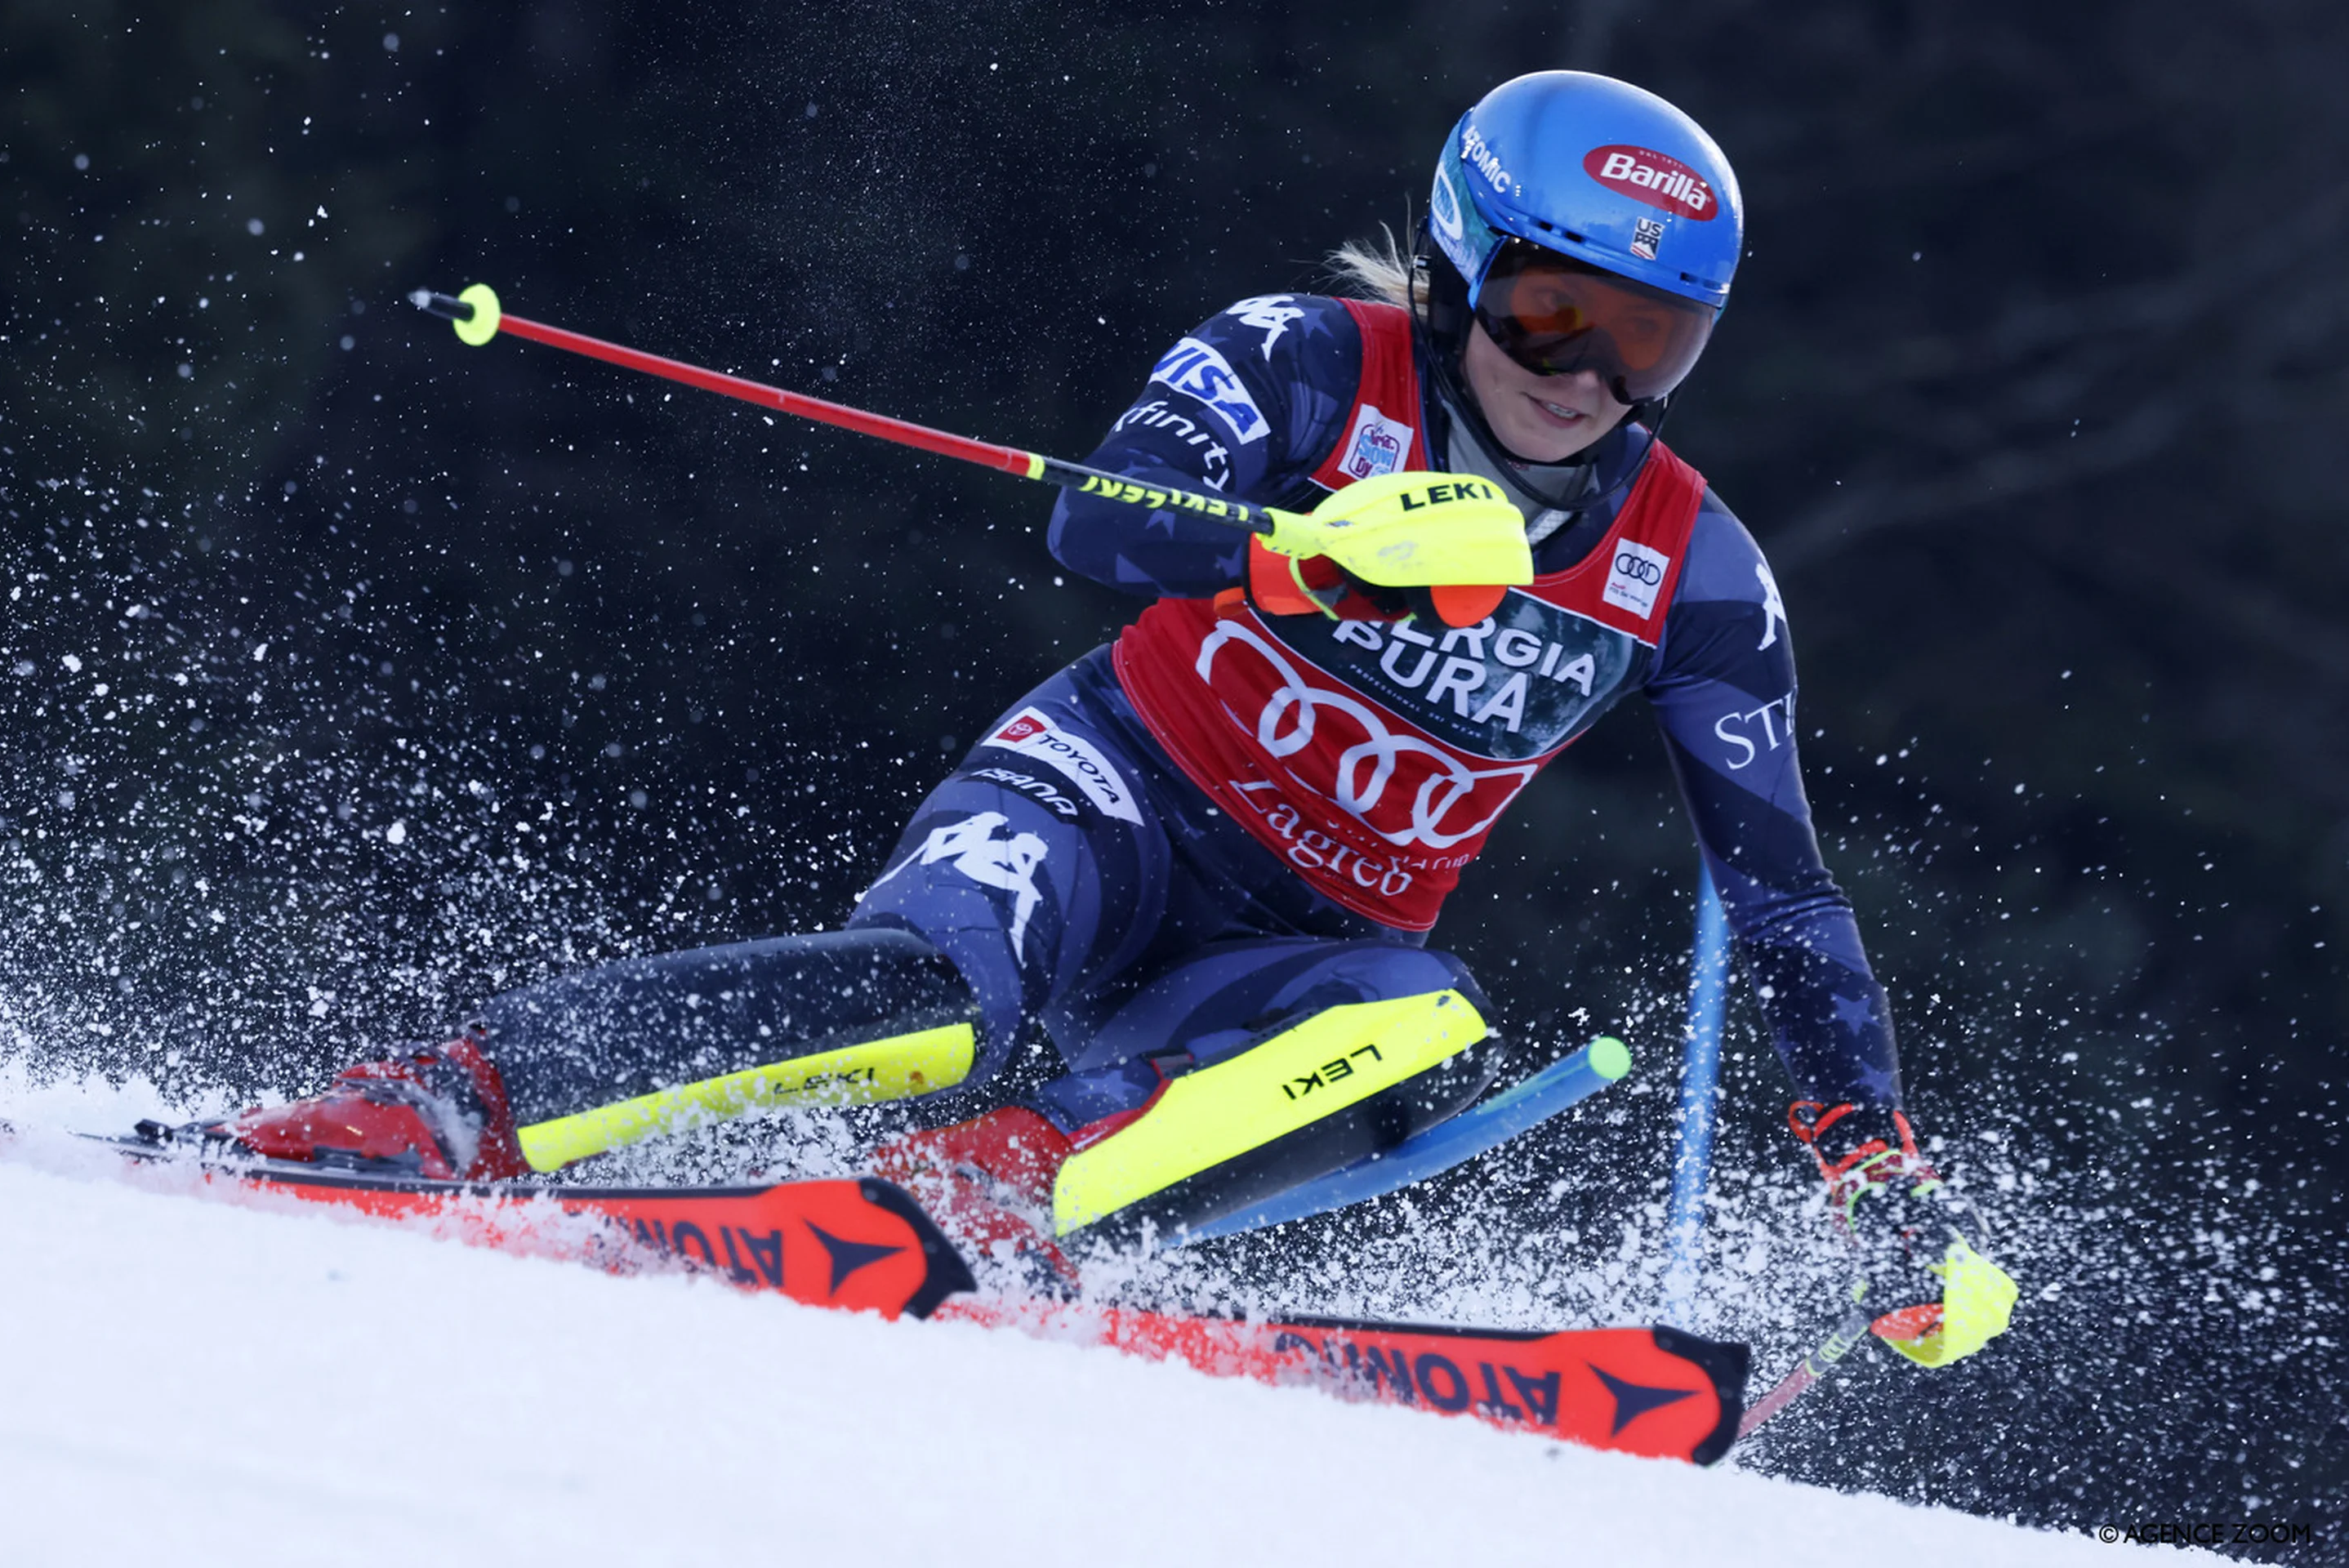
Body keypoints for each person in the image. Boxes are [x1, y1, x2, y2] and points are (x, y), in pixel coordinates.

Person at [212, 72, 2012, 1356]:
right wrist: (1311, 562)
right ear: (1469, 270)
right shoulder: (1305, 363)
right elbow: (1095, 518)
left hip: (1306, 941)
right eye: (1554, 317)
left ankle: (983, 1195)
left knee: (1430, 1026)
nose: (1591, 382)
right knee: (931, 1004)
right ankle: (448, 1101)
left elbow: (1777, 888)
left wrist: (1876, 1166)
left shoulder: (1693, 570)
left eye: (1654, 343)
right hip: (1106, 801)